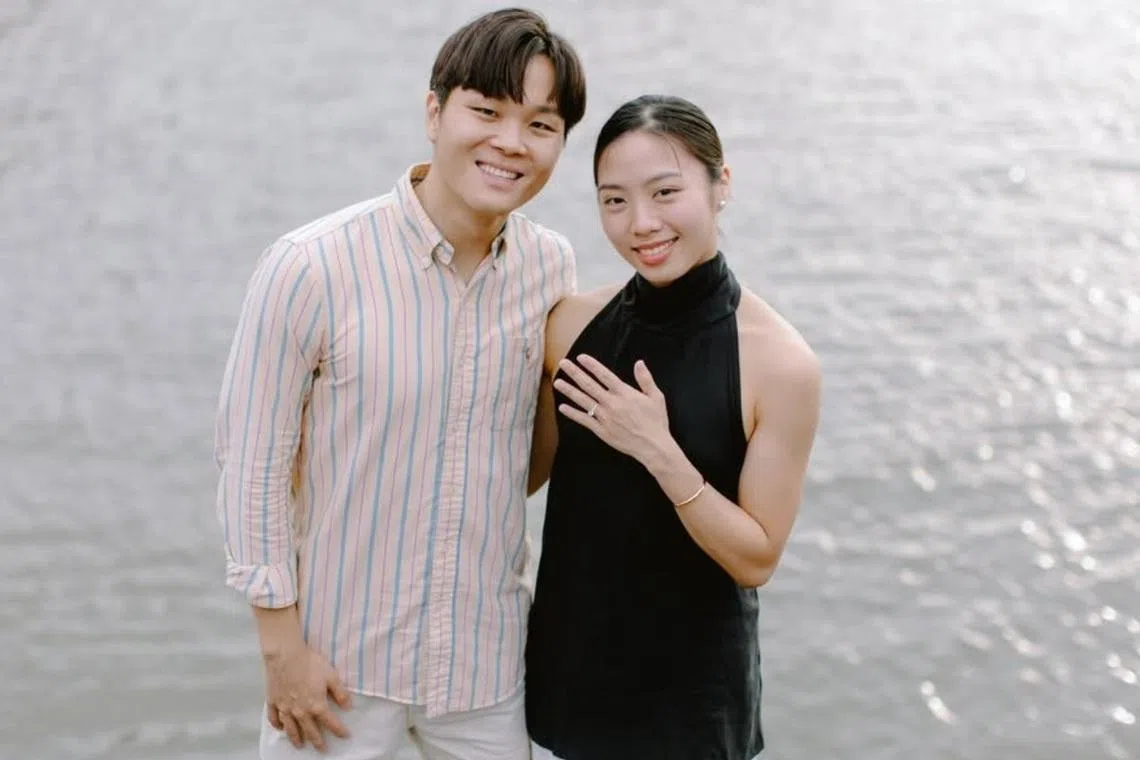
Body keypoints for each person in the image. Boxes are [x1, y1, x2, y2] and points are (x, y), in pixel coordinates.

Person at [213, 8, 586, 759]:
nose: (510, 143)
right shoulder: (310, 264)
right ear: (434, 111)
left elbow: (524, 464)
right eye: (486, 111)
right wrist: (281, 651)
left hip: (486, 676)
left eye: (540, 125)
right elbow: (251, 465)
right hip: (340, 677)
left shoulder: (552, 268)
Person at [524, 94, 821, 760]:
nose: (642, 223)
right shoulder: (569, 325)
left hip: (691, 712)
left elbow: (756, 558)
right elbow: (521, 476)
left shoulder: (778, 362)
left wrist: (659, 452)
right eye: (614, 201)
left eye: (665, 192)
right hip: (567, 687)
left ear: (721, 185)